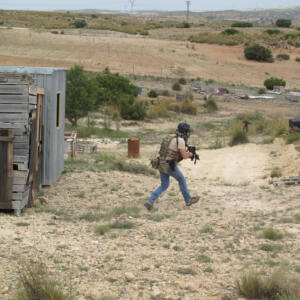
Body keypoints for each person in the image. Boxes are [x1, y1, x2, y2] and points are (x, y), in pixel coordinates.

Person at [144, 122, 200, 211]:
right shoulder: (180, 140)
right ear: (184, 132)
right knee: (181, 179)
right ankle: (188, 200)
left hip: (161, 163)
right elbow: (184, 156)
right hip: (169, 165)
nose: (188, 133)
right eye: (188, 131)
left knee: (164, 185)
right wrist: (191, 154)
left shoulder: (172, 137)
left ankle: (150, 201)